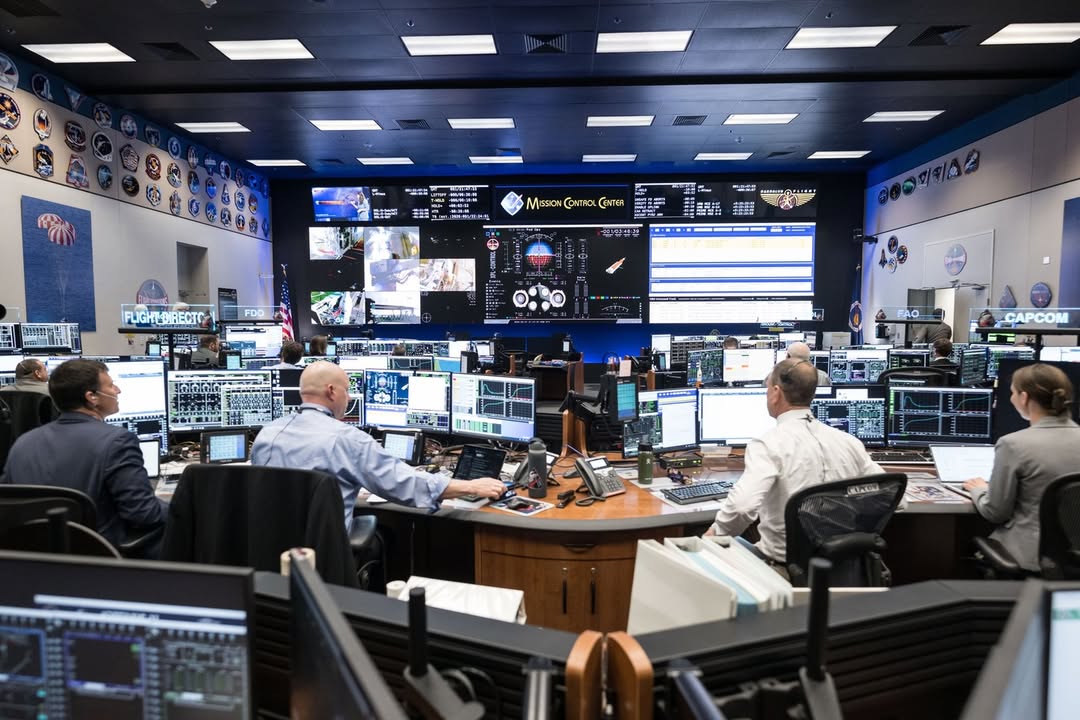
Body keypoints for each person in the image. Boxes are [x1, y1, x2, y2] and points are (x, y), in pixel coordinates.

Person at [250, 362, 505, 531]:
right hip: (325, 555)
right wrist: (471, 486)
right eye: (347, 391)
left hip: (270, 556)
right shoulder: (347, 439)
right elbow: (404, 484)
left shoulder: (266, 434)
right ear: (331, 392)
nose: (348, 398)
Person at [705, 358, 884, 564]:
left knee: (705, 548)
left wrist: (712, 535)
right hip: (843, 566)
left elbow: (741, 508)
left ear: (775, 393)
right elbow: (897, 498)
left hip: (783, 568)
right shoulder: (849, 442)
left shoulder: (768, 444)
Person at [0, 359, 166, 552]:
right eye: (111, 385)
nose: (117, 390)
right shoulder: (117, 441)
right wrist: (181, 508)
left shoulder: (23, 443)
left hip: (35, 563)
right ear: (92, 397)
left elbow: (7, 506)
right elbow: (143, 514)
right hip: (102, 559)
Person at [963, 364, 1080, 572]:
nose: (1010, 398)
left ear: (1024, 398)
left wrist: (978, 489)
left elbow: (995, 511)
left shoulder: (1014, 444)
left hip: (1032, 557)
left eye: (1012, 393)